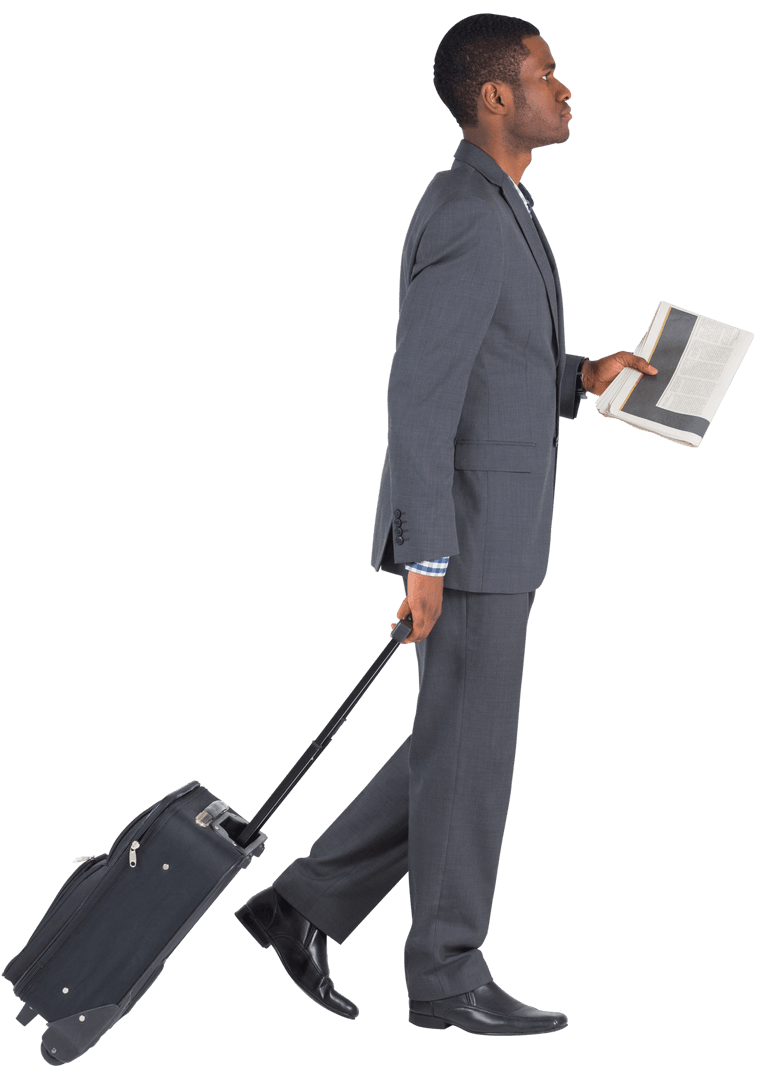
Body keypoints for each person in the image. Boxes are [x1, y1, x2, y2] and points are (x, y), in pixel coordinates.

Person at [234, 13, 657, 1036]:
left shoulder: (497, 202)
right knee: (472, 759)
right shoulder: (469, 211)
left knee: (454, 745)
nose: (568, 88)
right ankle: (448, 976)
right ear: (496, 97)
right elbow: (420, 395)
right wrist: (424, 557)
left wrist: (580, 378)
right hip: (468, 536)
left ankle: (301, 904)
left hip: (494, 526)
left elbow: (492, 364)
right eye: (548, 74)